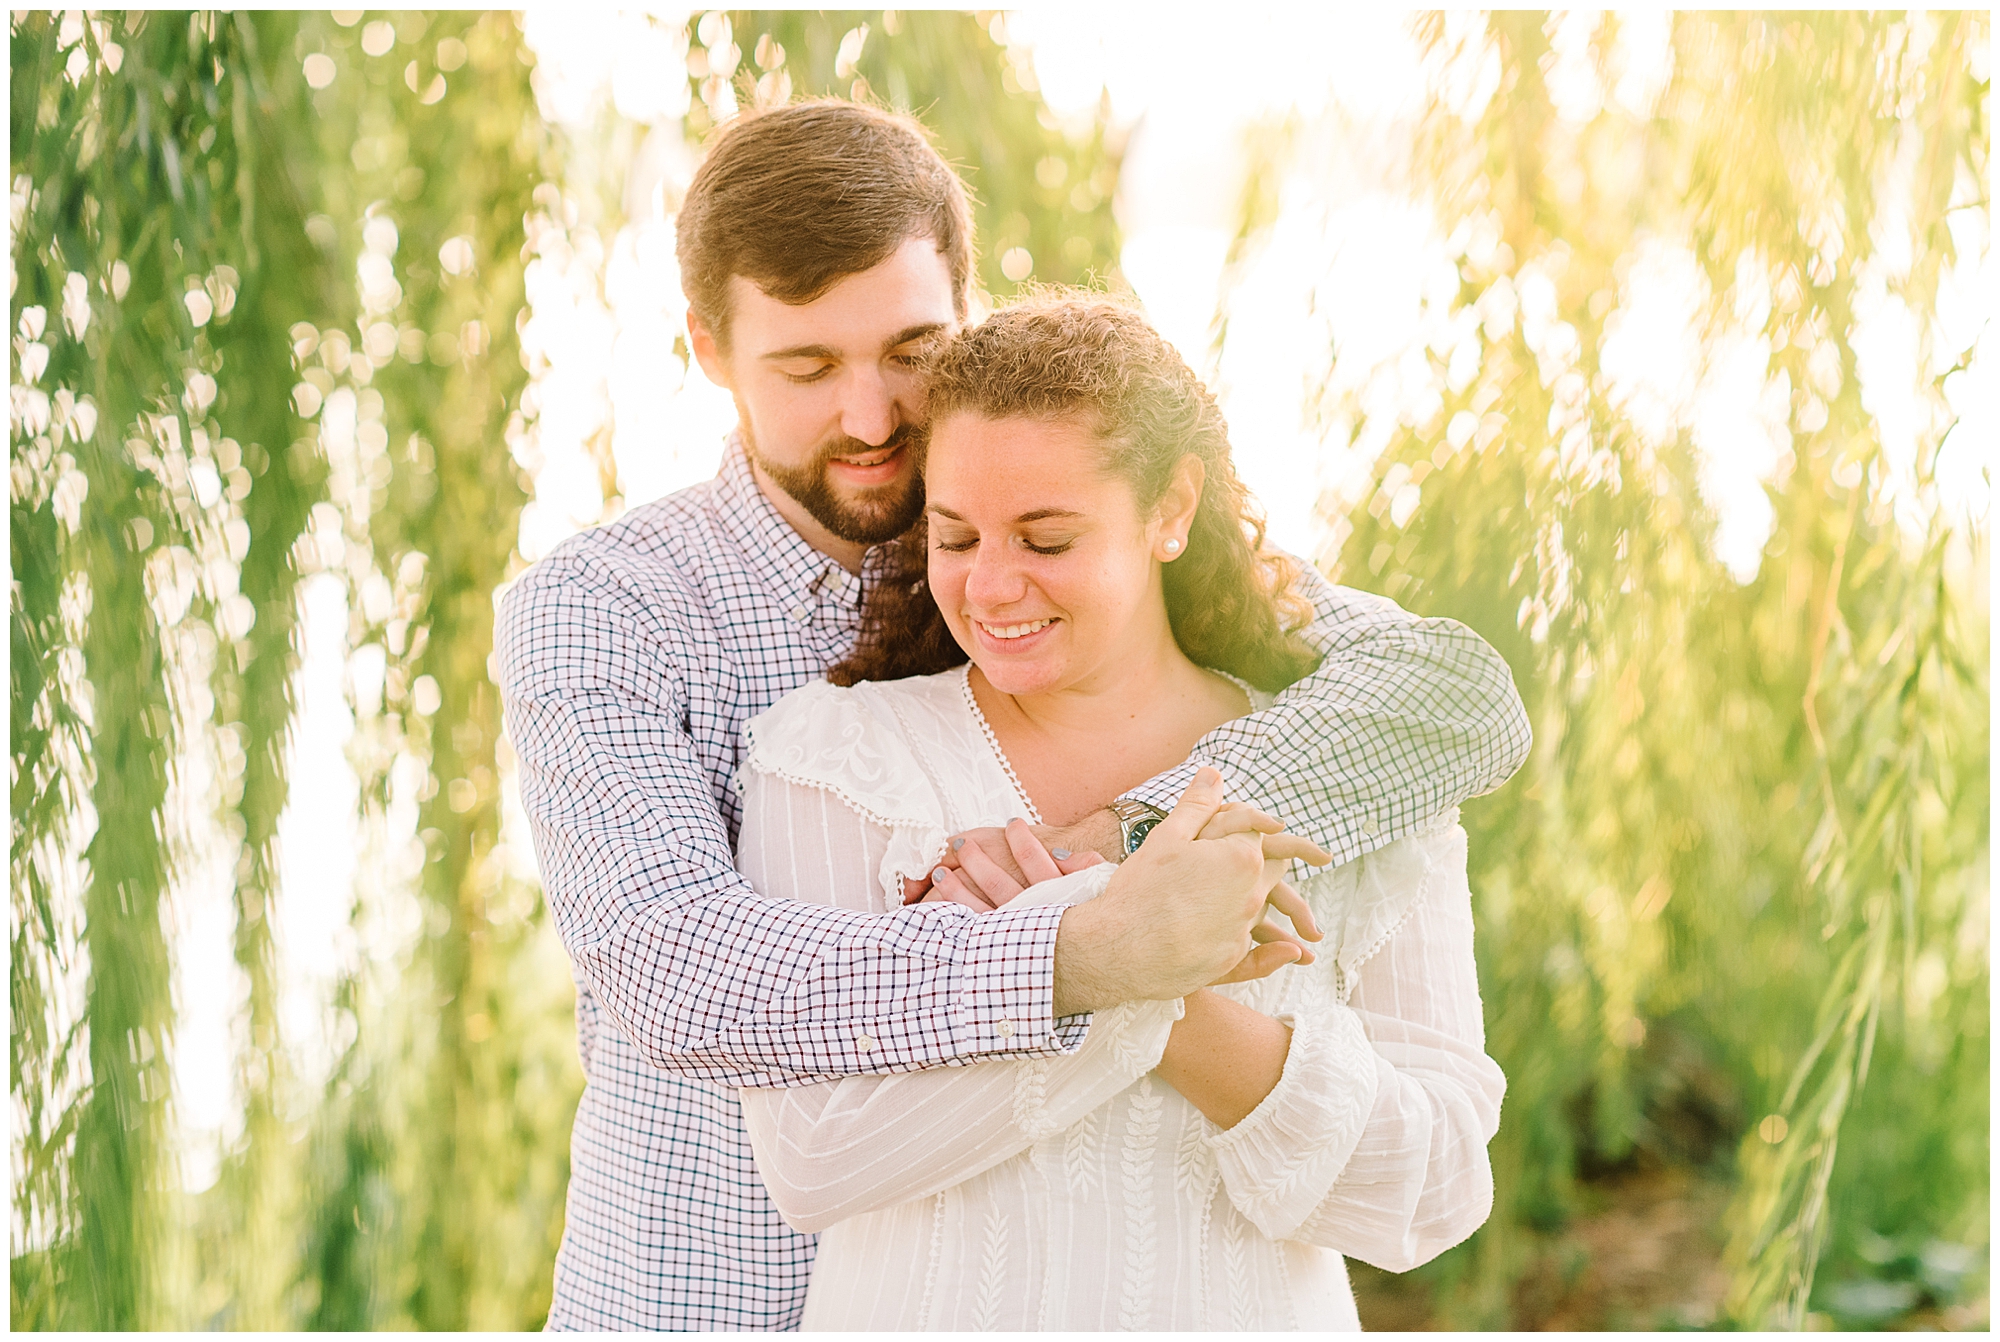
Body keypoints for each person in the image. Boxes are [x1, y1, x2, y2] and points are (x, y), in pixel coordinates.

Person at [493, 98, 1529, 1331]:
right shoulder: (608, 609)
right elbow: (679, 970)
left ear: (966, 313)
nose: (875, 419)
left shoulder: (1064, 549)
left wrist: (1114, 841)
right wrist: (1083, 949)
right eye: (807, 368)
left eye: (912, 352)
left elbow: (1445, 695)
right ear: (709, 351)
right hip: (697, 1303)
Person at [732, 296, 1506, 1330]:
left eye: (1045, 538)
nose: (992, 585)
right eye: (955, 535)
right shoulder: (835, 761)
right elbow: (816, 1157)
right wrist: (1111, 954)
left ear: (1168, 509)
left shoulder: (1356, 768)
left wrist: (1156, 991)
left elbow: (1433, 1190)